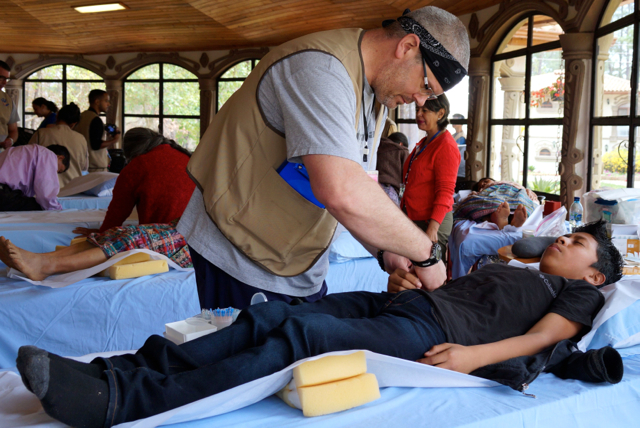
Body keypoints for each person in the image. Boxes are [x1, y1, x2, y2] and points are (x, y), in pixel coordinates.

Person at [15, 220, 624, 428]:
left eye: (576, 243)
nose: (563, 240)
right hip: (403, 308)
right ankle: (116, 368)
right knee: (275, 315)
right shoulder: (509, 266)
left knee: (301, 341)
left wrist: (474, 358)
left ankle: (120, 401)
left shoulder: (575, 296)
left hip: (432, 340)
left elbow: (546, 340)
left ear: (595, 277)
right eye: (567, 234)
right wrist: (403, 280)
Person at [180, 7, 470, 310]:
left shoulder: (378, 94)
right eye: (425, 86)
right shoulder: (320, 69)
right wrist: (427, 253)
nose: (421, 101)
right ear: (407, 47)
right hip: (240, 249)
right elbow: (340, 191)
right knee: (255, 356)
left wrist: (385, 252)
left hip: (297, 262)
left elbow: (357, 189)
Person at [72, 128, 195, 236]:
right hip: (194, 236)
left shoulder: (138, 166)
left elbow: (117, 213)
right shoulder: (186, 157)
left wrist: (103, 233)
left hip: (162, 237)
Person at [0, 219, 191, 281]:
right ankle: (40, 258)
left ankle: (47, 266)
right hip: (188, 226)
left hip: (203, 245)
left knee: (137, 238)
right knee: (124, 231)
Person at [401, 94, 460, 251]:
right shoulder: (426, 141)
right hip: (415, 217)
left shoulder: (445, 145)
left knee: (425, 273)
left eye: (425, 110)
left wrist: (433, 227)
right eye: (417, 109)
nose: (419, 114)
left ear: (440, 114)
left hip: (432, 222)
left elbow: (446, 191)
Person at [28, 103, 88, 188]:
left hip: (45, 188)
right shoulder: (81, 139)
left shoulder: (41, 134)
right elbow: (84, 166)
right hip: (73, 189)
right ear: (74, 123)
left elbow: (27, 161)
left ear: (57, 116)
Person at [0, 144, 69, 211]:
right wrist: (57, 209)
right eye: (58, 170)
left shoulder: (22, 150)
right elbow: (45, 194)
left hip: (4, 192)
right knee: (39, 206)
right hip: (3, 194)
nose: (54, 172)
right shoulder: (49, 155)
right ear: (60, 157)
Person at [75, 89, 120, 172]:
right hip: (96, 167)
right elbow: (96, 145)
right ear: (97, 102)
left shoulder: (81, 116)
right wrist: (114, 140)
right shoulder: (95, 119)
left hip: (82, 164)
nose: (108, 104)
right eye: (106, 101)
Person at [376, 133, 409, 205]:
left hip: (374, 187)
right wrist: (401, 196)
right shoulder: (403, 151)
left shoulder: (377, 145)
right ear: (401, 144)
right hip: (391, 191)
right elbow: (405, 177)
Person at [0, 61, 19, 150]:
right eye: (1, 78)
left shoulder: (7, 100)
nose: (4, 82)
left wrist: (10, 140)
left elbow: (13, 131)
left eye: (6, 79)